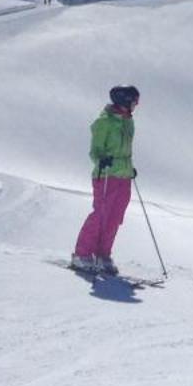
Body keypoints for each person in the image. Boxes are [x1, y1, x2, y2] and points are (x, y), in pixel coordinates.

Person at [72, 85, 139, 275]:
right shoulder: (104, 122)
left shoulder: (128, 122)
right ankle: (82, 254)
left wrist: (128, 168)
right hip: (106, 175)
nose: (136, 105)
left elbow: (125, 151)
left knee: (115, 217)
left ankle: (103, 255)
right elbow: (95, 152)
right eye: (134, 101)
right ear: (124, 100)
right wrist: (102, 160)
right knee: (101, 214)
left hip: (123, 176)